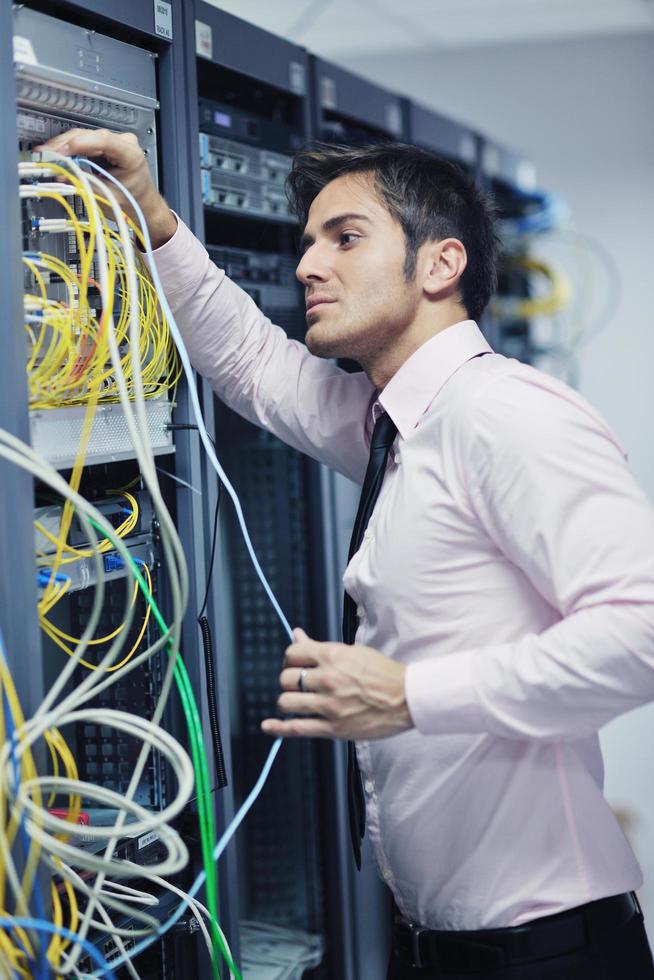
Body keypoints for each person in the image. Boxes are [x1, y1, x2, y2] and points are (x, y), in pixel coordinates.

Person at [38, 129, 654, 979]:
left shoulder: (505, 415)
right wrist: (150, 217)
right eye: (307, 243)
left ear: (439, 265)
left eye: (346, 238)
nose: (307, 266)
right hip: (444, 944)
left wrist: (410, 694)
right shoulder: (395, 422)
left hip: (544, 951)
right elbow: (255, 364)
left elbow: (643, 632)